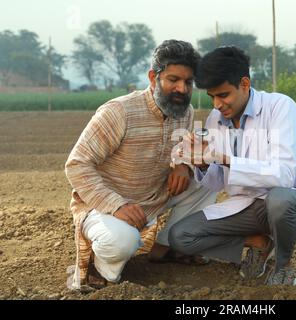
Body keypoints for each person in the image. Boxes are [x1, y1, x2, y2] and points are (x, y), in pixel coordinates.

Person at [65, 40, 217, 291]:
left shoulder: (186, 112)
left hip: (153, 198)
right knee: (122, 241)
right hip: (106, 207)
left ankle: (166, 247)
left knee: (208, 178)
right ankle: (99, 270)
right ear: (152, 77)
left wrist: (184, 166)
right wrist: (116, 204)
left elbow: (188, 149)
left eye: (188, 82)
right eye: (173, 79)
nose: (181, 88)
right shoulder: (119, 112)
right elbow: (77, 165)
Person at [168, 46, 296, 286]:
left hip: (286, 203)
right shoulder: (216, 119)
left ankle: (283, 267)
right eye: (212, 97)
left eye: (223, 95)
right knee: (180, 236)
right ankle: (258, 243)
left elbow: (283, 176)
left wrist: (224, 158)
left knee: (280, 200)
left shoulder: (280, 107)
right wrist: (202, 163)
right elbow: (220, 181)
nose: (217, 104)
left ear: (244, 83)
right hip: (246, 208)